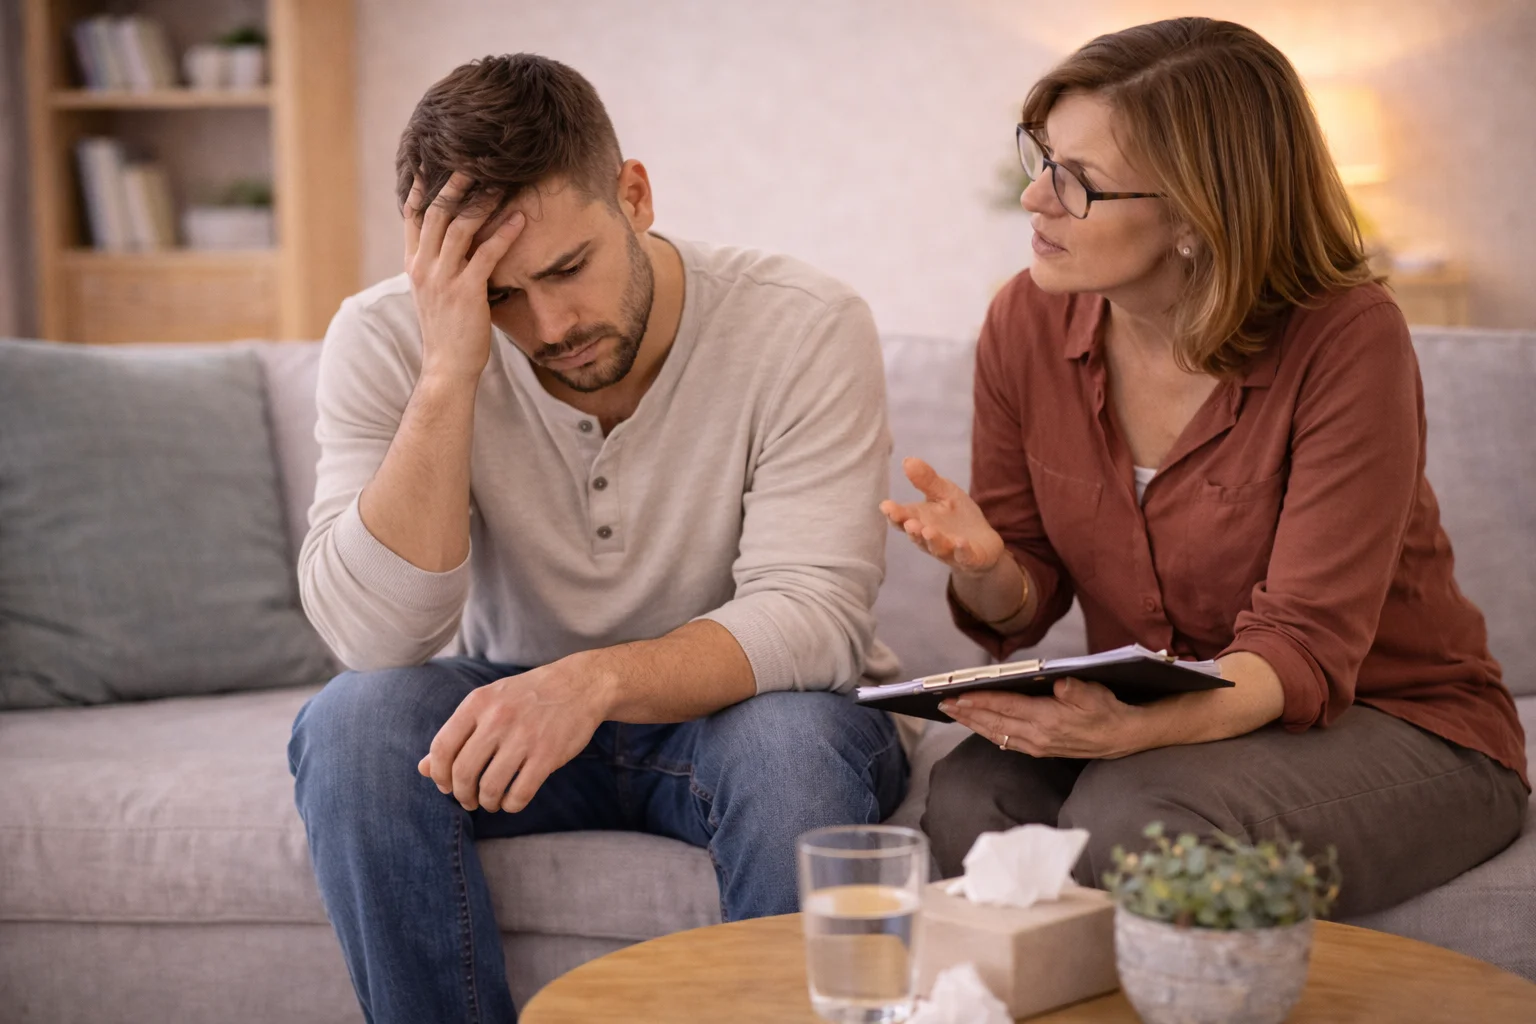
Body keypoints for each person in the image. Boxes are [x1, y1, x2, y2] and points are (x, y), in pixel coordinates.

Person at [287, 54, 906, 1022]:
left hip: (742, 716)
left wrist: (593, 680)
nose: (552, 324)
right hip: (519, 719)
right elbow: (372, 643)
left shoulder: (804, 324)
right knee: (353, 726)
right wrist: (450, 371)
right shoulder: (386, 341)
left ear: (635, 194)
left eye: (570, 268)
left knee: (791, 746)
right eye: (502, 296)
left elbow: (815, 616)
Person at [883, 17, 1527, 916]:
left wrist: (1127, 736)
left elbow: (1299, 647)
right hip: (1187, 716)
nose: (1035, 199)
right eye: (1041, 159)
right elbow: (1026, 590)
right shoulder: (1024, 324)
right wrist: (990, 570)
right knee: (970, 797)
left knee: (1140, 812)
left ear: (1194, 213)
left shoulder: (1347, 337)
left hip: (1400, 721)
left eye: (1078, 183)